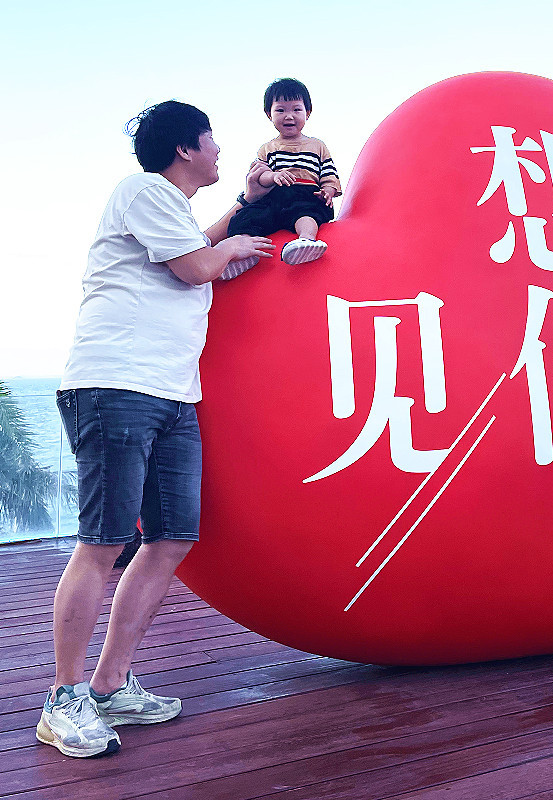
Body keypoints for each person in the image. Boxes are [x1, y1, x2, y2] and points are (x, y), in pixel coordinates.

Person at [37, 100, 275, 758]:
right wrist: (233, 244)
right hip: (116, 385)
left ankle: (110, 685)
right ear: (184, 149)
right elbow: (196, 265)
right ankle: (63, 699)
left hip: (171, 393)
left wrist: (244, 205)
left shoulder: (169, 210)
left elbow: (197, 246)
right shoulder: (140, 190)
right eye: (211, 140)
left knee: (170, 538)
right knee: (104, 542)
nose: (220, 150)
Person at [227, 77, 342, 266]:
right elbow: (259, 176)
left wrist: (328, 191)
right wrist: (273, 176)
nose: (289, 116)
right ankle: (244, 255)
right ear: (269, 114)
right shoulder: (267, 148)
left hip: (306, 194)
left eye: (296, 110)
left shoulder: (317, 146)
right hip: (274, 196)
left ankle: (306, 241)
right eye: (280, 110)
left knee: (305, 213)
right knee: (245, 217)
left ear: (308, 113)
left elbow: (328, 174)